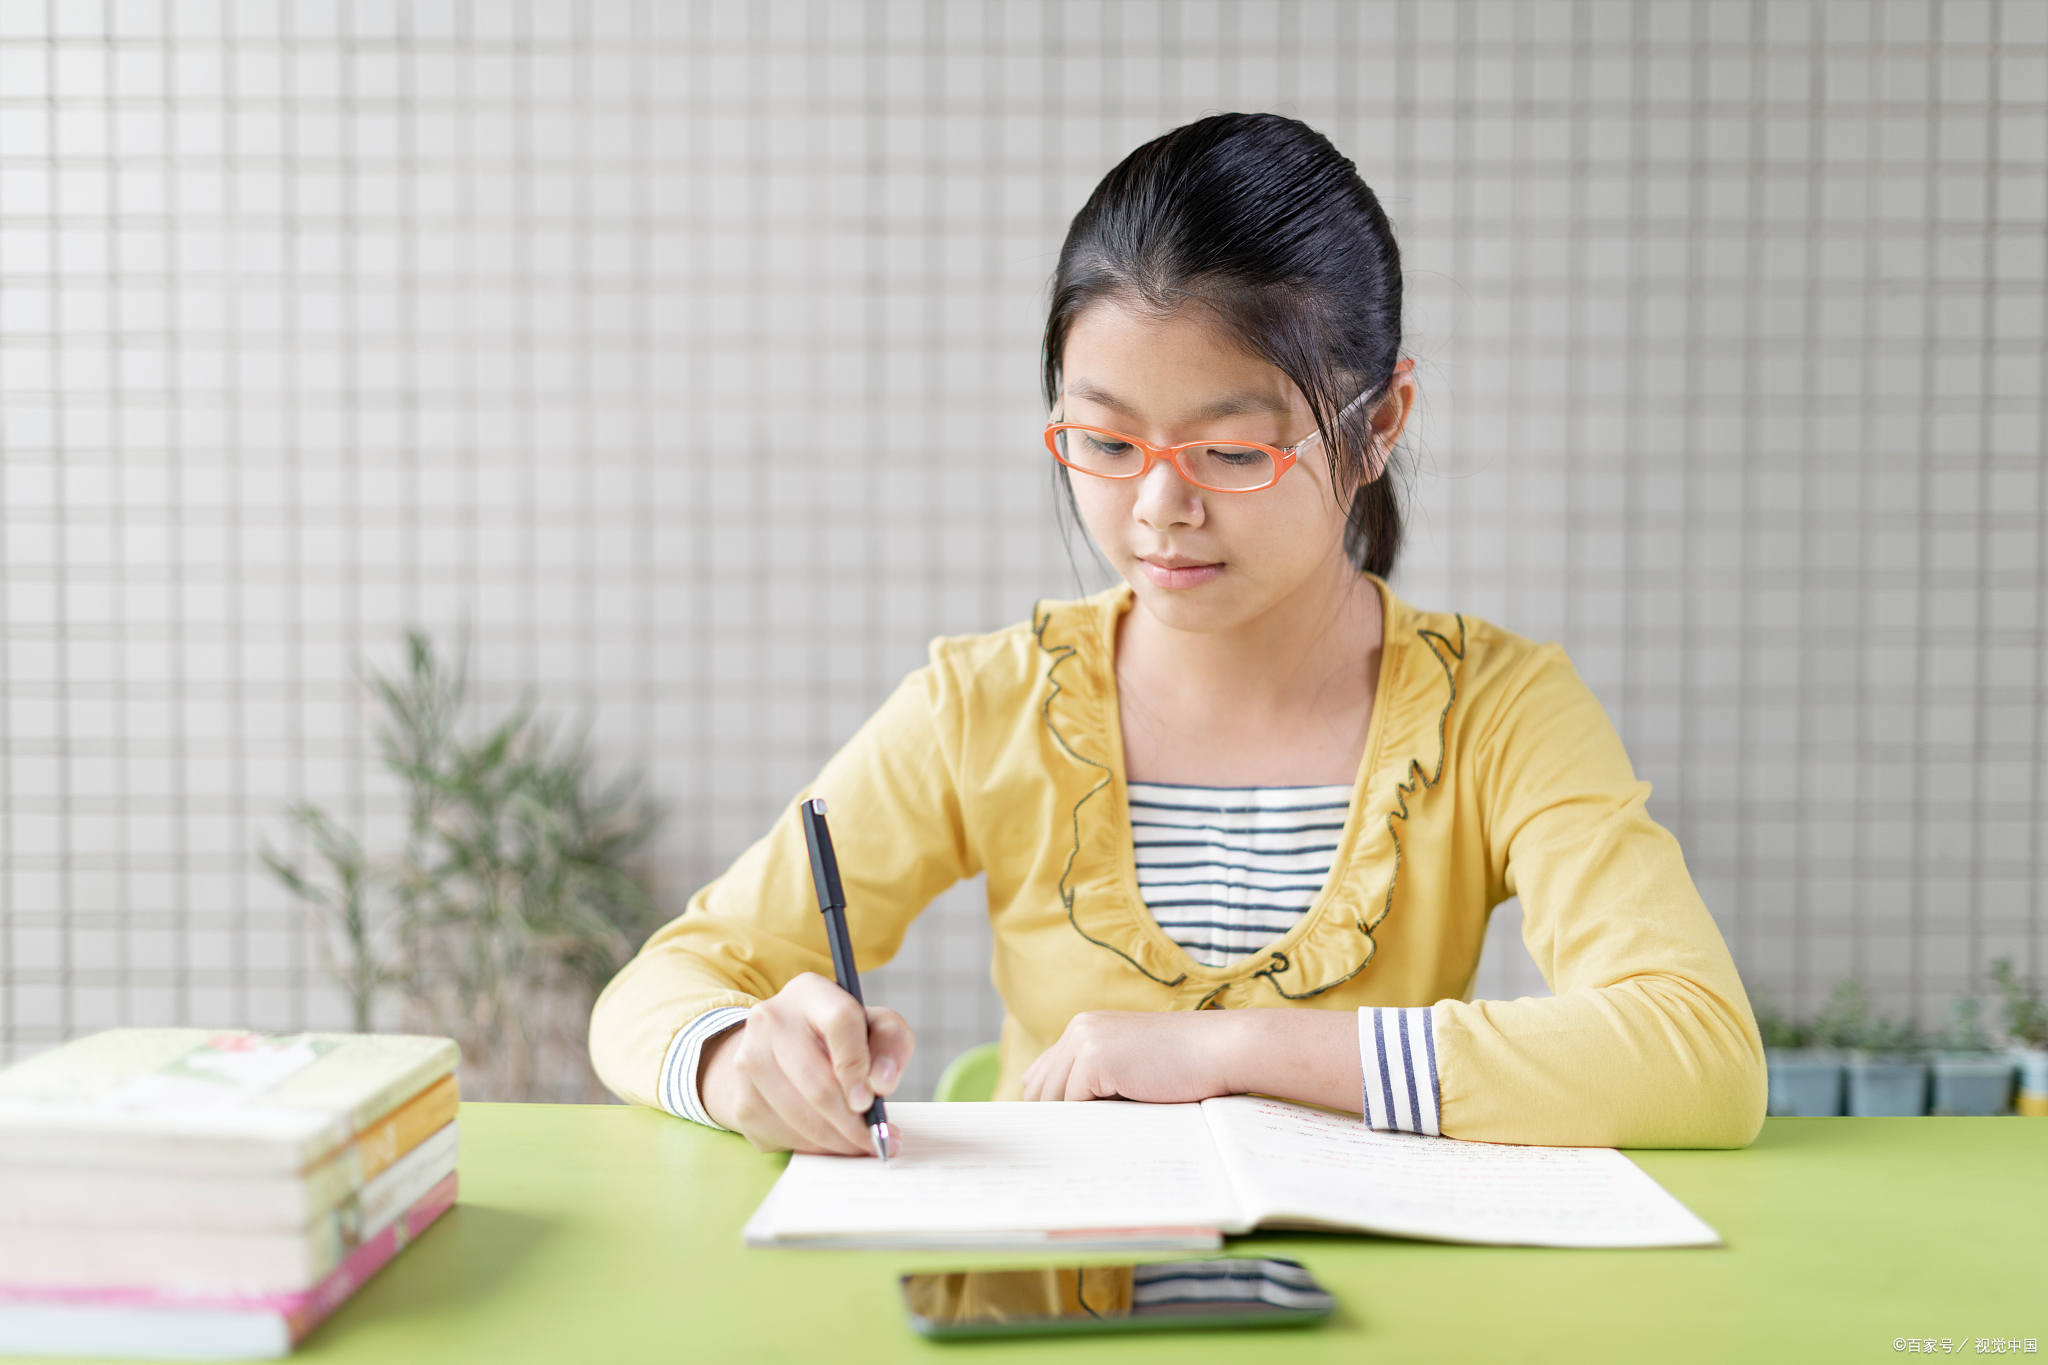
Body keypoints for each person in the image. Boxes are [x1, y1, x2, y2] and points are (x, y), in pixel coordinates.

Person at [589, 112, 1766, 1156]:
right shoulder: (987, 705)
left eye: (1230, 453)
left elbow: (1696, 1053)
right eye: (1105, 445)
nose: (1158, 509)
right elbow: (656, 992)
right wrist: (736, 1060)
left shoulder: (1497, 711)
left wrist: (1227, 1055)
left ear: (1377, 425)